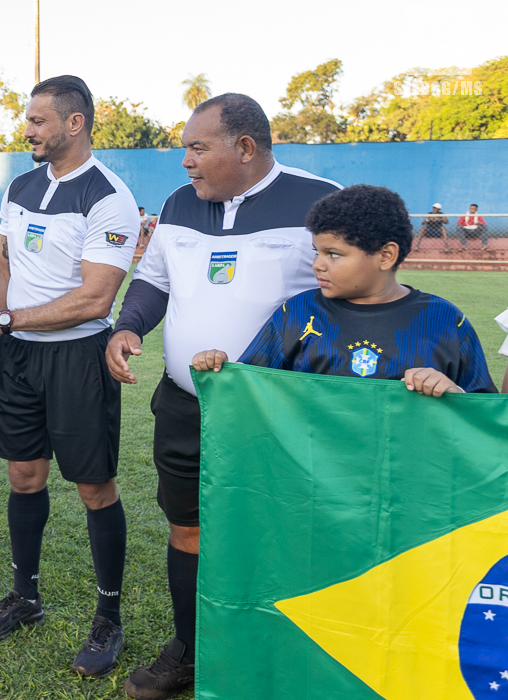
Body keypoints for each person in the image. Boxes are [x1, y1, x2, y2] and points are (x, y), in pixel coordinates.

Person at [105, 93, 342, 700]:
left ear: (245, 147)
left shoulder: (321, 202)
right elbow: (154, 278)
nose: (185, 161)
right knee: (187, 527)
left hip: (277, 412)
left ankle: (280, 652)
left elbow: (353, 295)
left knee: (279, 532)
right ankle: (189, 649)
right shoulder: (178, 203)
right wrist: (129, 325)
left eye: (196, 148)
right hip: (185, 404)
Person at [0, 75, 140, 678]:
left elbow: (96, 298)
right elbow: (2, 264)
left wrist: (1, 320)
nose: (27, 129)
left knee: (94, 487)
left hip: (79, 358)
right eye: (28, 119)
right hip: (19, 357)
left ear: (74, 124)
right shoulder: (21, 185)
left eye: (37, 120)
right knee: (23, 476)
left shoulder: (109, 197)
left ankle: (108, 617)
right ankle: (24, 597)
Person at [192, 184, 497, 396]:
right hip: (311, 472)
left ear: (386, 256)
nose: (318, 265)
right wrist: (219, 367)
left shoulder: (444, 319)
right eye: (317, 252)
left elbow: (484, 414)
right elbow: (250, 388)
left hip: (408, 471)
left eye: (334, 254)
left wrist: (453, 393)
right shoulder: (296, 312)